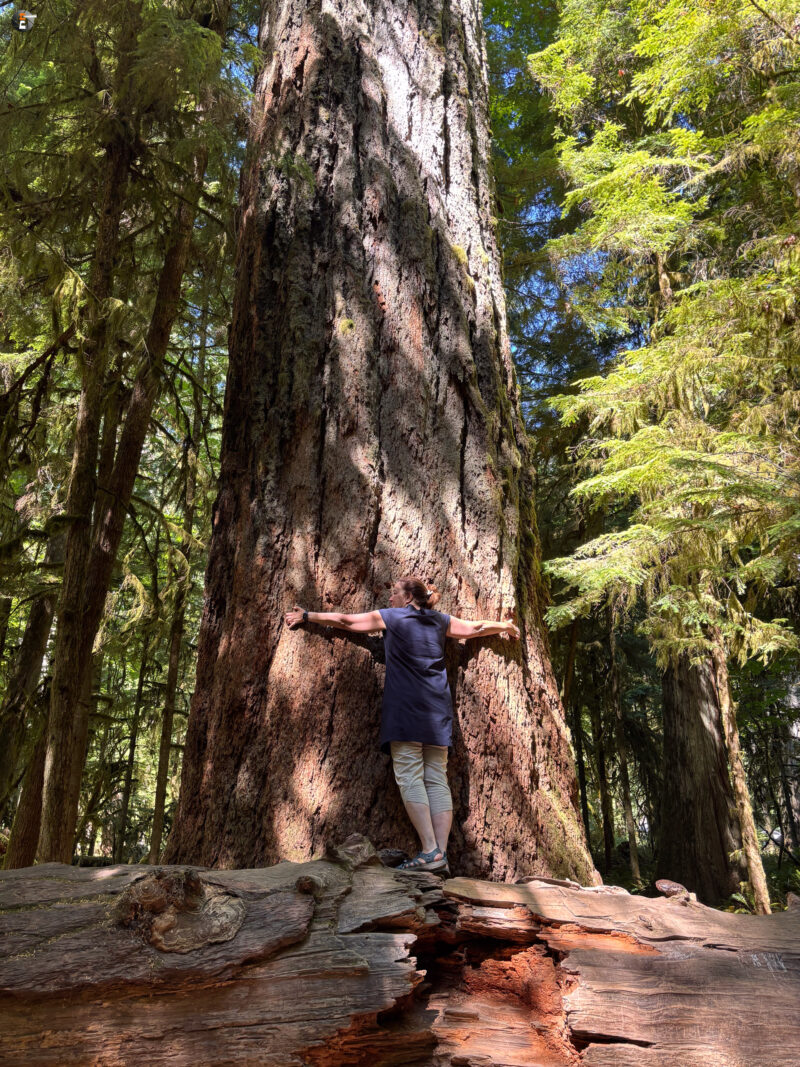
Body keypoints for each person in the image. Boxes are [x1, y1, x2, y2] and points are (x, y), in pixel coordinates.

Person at [284, 575, 520, 872]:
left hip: (406, 709)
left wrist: (307, 615)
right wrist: (506, 626)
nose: (390, 597)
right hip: (437, 710)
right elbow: (476, 628)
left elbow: (346, 621)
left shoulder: (393, 617)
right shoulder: (440, 621)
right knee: (436, 777)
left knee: (410, 776)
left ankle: (430, 850)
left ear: (409, 598)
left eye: (394, 592)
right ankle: (440, 856)